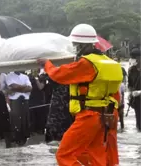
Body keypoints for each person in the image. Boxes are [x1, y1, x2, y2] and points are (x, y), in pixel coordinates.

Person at [38, 24, 122, 166]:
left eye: (76, 45)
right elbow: (116, 95)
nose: (75, 48)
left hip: (89, 116)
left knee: (64, 155)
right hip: (109, 115)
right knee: (97, 157)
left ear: (83, 46)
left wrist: (47, 64)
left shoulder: (87, 64)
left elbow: (59, 75)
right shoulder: (111, 63)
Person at [6, 71, 32, 146]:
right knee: (16, 121)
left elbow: (30, 88)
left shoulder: (25, 76)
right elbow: (13, 86)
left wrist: (16, 89)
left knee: (25, 121)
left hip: (25, 100)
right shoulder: (9, 76)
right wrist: (24, 87)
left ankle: (24, 140)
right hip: (15, 101)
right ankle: (16, 140)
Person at [28, 69, 48, 135]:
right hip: (31, 99)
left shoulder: (42, 77)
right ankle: (32, 131)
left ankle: (40, 131)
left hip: (40, 100)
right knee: (32, 117)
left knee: (40, 116)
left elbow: (41, 87)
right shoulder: (28, 77)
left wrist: (36, 78)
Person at [127, 48, 141, 131]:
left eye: (134, 57)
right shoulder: (131, 70)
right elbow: (130, 84)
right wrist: (130, 93)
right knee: (139, 122)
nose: (132, 59)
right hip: (136, 100)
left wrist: (140, 92)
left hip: (139, 94)